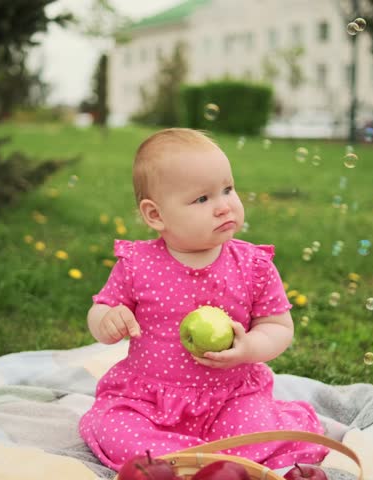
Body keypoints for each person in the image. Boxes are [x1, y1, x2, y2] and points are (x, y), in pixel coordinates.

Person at [78, 128, 328, 471]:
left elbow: (277, 325)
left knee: (258, 429)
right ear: (155, 215)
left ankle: (181, 464)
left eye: (228, 189)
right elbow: (102, 308)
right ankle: (210, 462)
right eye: (202, 199)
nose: (224, 206)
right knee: (114, 429)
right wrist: (107, 320)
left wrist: (249, 348)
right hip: (149, 400)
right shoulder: (138, 265)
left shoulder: (253, 266)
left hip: (231, 398)